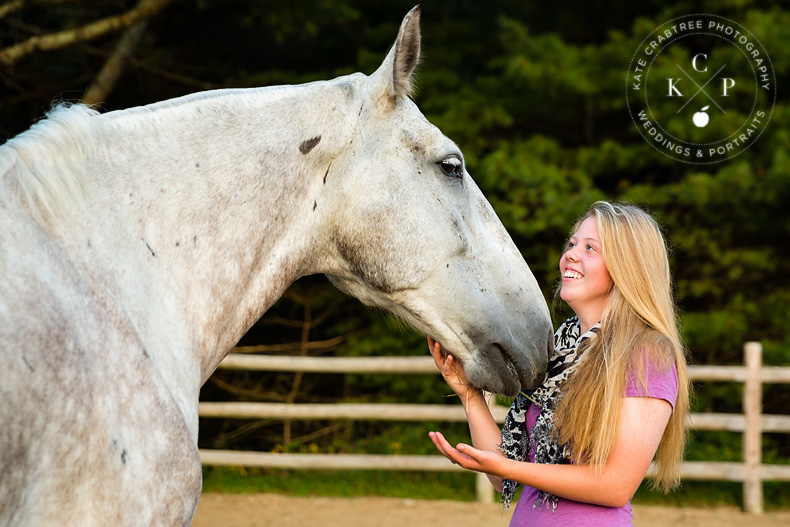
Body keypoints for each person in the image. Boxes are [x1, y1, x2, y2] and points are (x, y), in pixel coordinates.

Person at [427, 201, 690, 526]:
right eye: (572, 243)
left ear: (627, 267)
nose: (571, 255)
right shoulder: (557, 352)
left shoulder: (646, 353)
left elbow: (616, 486)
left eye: (590, 248)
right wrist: (469, 394)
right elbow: (503, 477)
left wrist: (508, 468)